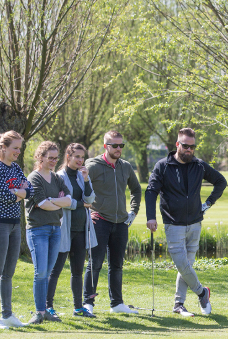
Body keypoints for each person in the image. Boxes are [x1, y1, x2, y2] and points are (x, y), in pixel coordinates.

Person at [145, 127, 227, 316]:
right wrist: (151, 217)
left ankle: (178, 304)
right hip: (173, 223)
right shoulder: (163, 166)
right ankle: (202, 292)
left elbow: (220, 181)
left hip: (195, 223)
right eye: (185, 146)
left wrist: (208, 203)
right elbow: (151, 191)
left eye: (192, 147)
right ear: (177, 144)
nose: (189, 150)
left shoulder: (199, 165)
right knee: (182, 264)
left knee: (186, 266)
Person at [82, 130, 142, 314]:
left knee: (117, 265)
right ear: (105, 146)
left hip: (121, 223)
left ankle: (116, 304)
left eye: (121, 145)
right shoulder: (92, 165)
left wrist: (133, 211)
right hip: (99, 220)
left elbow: (136, 189)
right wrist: (87, 211)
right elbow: (79, 187)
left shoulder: (126, 166)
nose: (118, 148)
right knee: (95, 263)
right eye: (114, 145)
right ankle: (88, 303)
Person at [0, 131, 32, 329]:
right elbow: (3, 194)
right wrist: (19, 193)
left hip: (14, 224)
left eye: (20, 148)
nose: (18, 152)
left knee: (8, 273)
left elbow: (30, 190)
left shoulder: (16, 168)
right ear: (3, 147)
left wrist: (17, 193)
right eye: (15, 148)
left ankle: (8, 315)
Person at [47, 143, 97, 319]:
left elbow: (91, 198)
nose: (80, 160)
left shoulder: (82, 176)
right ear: (68, 157)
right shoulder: (59, 176)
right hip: (64, 229)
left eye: (82, 157)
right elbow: (64, 202)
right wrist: (81, 204)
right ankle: (48, 307)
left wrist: (86, 180)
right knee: (56, 270)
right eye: (77, 156)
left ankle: (78, 307)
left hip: (81, 230)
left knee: (77, 271)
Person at [25, 141, 72, 324]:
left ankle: (45, 311)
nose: (53, 161)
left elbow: (68, 200)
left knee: (48, 271)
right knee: (41, 272)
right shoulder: (34, 178)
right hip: (38, 229)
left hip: (55, 229)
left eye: (55, 158)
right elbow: (41, 203)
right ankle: (39, 312)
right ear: (40, 157)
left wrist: (51, 201)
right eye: (50, 158)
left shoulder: (56, 178)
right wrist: (57, 202)